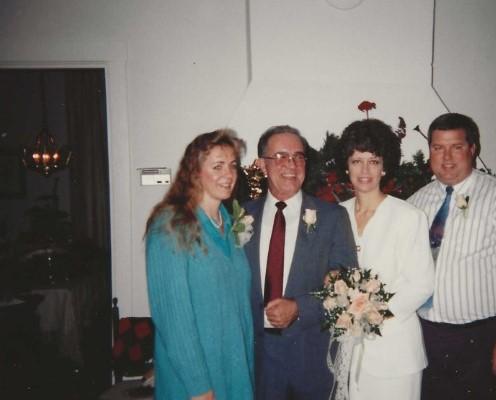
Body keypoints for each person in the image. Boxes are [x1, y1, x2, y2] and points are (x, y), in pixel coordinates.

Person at [408, 113, 496, 399]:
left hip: (483, 338)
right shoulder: (416, 202)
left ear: (472, 149)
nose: (446, 157)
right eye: (438, 148)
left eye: (456, 147)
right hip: (428, 336)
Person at [243, 125, 357, 400]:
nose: (292, 164)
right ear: (262, 165)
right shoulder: (241, 216)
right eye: (281, 156)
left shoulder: (332, 217)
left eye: (298, 156)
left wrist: (299, 308)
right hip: (256, 360)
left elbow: (347, 285)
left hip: (311, 358)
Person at [145, 129, 254, 400]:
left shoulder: (229, 223)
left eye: (232, 165)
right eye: (218, 166)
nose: (229, 174)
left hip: (234, 368)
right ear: (195, 171)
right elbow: (173, 318)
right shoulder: (171, 224)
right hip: (197, 379)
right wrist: (198, 386)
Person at [334, 119, 435, 399]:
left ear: (385, 166)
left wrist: (373, 315)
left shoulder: (408, 216)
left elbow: (422, 285)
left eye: (374, 161)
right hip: (349, 349)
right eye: (357, 161)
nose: (365, 170)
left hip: (396, 352)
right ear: (346, 166)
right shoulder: (337, 215)